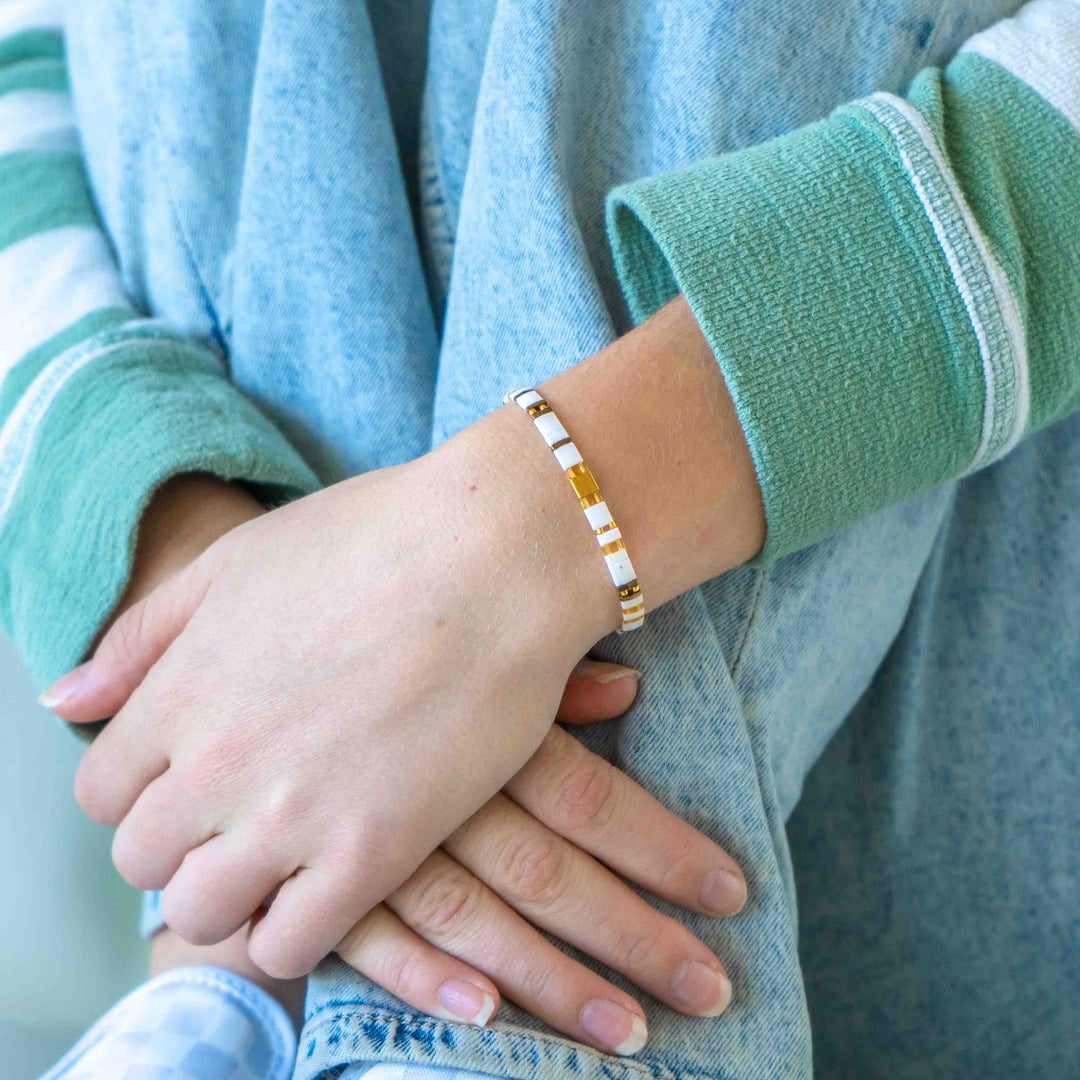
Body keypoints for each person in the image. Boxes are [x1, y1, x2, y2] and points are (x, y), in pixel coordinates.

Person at [3, 0, 1079, 1078]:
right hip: (266, 895)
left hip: (921, 784)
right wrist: (205, 597)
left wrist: (524, 534)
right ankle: (281, 1014)